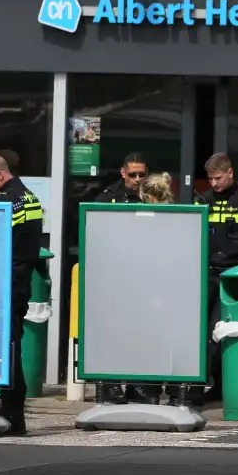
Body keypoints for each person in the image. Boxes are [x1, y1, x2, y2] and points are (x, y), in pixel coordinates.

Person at [188, 153, 238, 407]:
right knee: (200, 331)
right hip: (208, 272)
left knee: (224, 333)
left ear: (230, 173)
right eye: (211, 179)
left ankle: (222, 386)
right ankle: (197, 385)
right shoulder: (205, 200)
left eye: (218, 178)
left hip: (235, 275)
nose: (214, 183)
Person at [0, 153, 44, 435]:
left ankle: (12, 414)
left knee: (6, 349)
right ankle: (13, 412)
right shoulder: (30, 198)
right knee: (12, 346)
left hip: (3, 285)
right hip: (20, 282)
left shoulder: (4, 203)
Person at [91, 153, 159, 405]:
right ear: (123, 173)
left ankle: (142, 387)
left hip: (148, 275)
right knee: (116, 333)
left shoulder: (156, 195)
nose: (139, 179)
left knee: (146, 333)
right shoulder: (109, 197)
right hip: (117, 276)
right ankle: (111, 386)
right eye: (133, 175)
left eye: (143, 174)